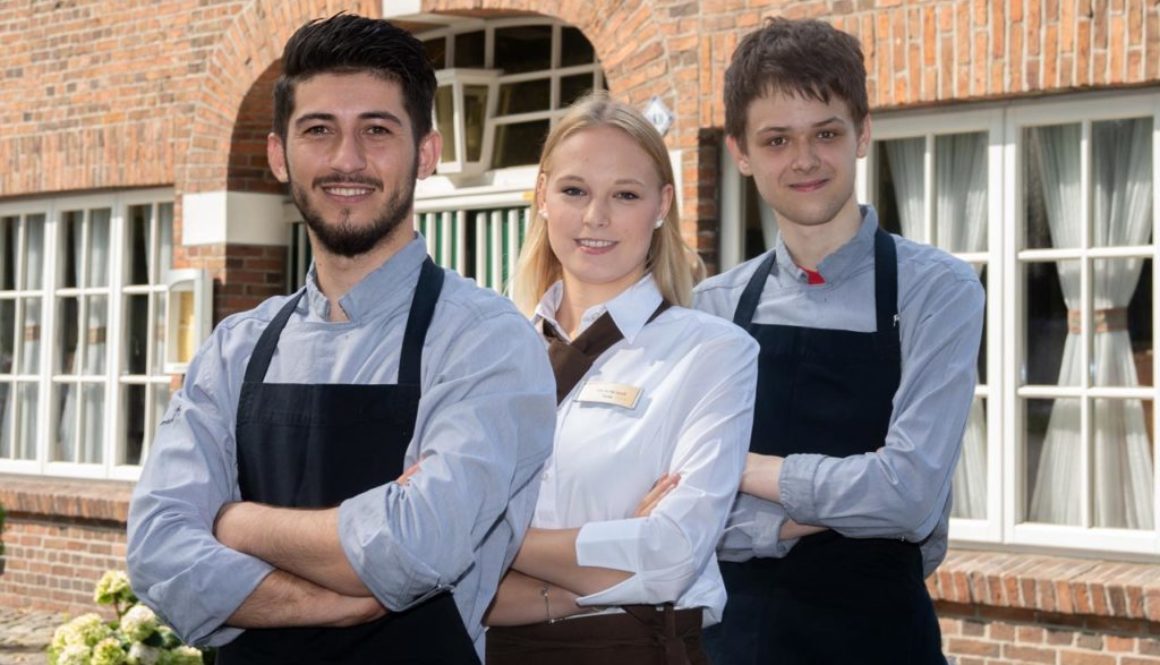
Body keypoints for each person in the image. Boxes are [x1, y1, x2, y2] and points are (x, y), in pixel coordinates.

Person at [126, 14, 556, 665]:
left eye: (377, 130)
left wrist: (234, 521)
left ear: (427, 154)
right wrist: (337, 599)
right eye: (318, 130)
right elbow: (157, 550)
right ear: (280, 155)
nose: (346, 159)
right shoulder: (234, 349)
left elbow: (416, 546)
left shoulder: (485, 341)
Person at [695, 17, 985, 665]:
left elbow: (909, 495)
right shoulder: (710, 308)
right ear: (741, 152)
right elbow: (684, 511)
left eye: (825, 133)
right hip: (732, 644)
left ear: (863, 133)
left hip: (882, 640)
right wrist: (833, 508)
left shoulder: (936, 291)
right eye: (777, 140)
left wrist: (744, 471)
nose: (804, 159)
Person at [481, 93, 758, 665]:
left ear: (662, 205)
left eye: (625, 195)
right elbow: (424, 557)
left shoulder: (713, 353)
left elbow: (670, 554)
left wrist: (486, 537)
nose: (596, 217)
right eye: (574, 191)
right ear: (542, 196)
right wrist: (602, 565)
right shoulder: (488, 353)